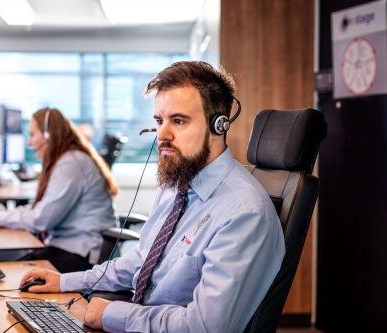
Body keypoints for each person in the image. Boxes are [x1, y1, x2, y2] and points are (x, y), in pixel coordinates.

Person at [19, 61, 285, 332]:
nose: (162, 135)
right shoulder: (176, 185)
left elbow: (205, 326)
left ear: (219, 126)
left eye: (179, 121)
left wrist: (112, 314)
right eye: (159, 121)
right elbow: (142, 259)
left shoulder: (243, 213)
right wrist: (65, 282)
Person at [0, 108, 119, 273]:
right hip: (70, 246)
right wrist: (0, 213)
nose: (29, 143)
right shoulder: (69, 159)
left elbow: (41, 220)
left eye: (32, 135)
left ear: (48, 136)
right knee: (5, 267)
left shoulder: (71, 163)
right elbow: (41, 210)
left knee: (8, 272)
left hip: (80, 253)